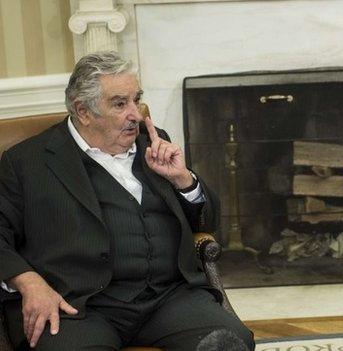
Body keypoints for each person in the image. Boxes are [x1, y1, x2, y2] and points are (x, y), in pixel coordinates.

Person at [0, 51, 254, 350]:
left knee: (229, 343)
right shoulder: (26, 162)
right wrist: (29, 282)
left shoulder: (154, 142)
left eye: (137, 99)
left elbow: (206, 223)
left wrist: (183, 179)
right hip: (78, 307)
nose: (136, 114)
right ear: (83, 111)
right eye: (121, 104)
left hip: (168, 298)